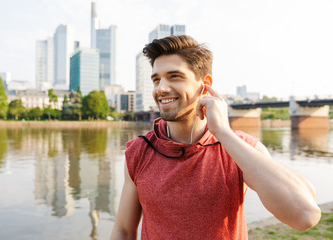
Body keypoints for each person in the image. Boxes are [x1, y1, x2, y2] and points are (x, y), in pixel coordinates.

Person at [110, 35, 321, 240]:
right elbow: (123, 231)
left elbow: (305, 216)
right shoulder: (139, 152)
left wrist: (223, 132)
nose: (161, 88)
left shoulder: (239, 147)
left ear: (205, 85)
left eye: (175, 76)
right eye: (156, 79)